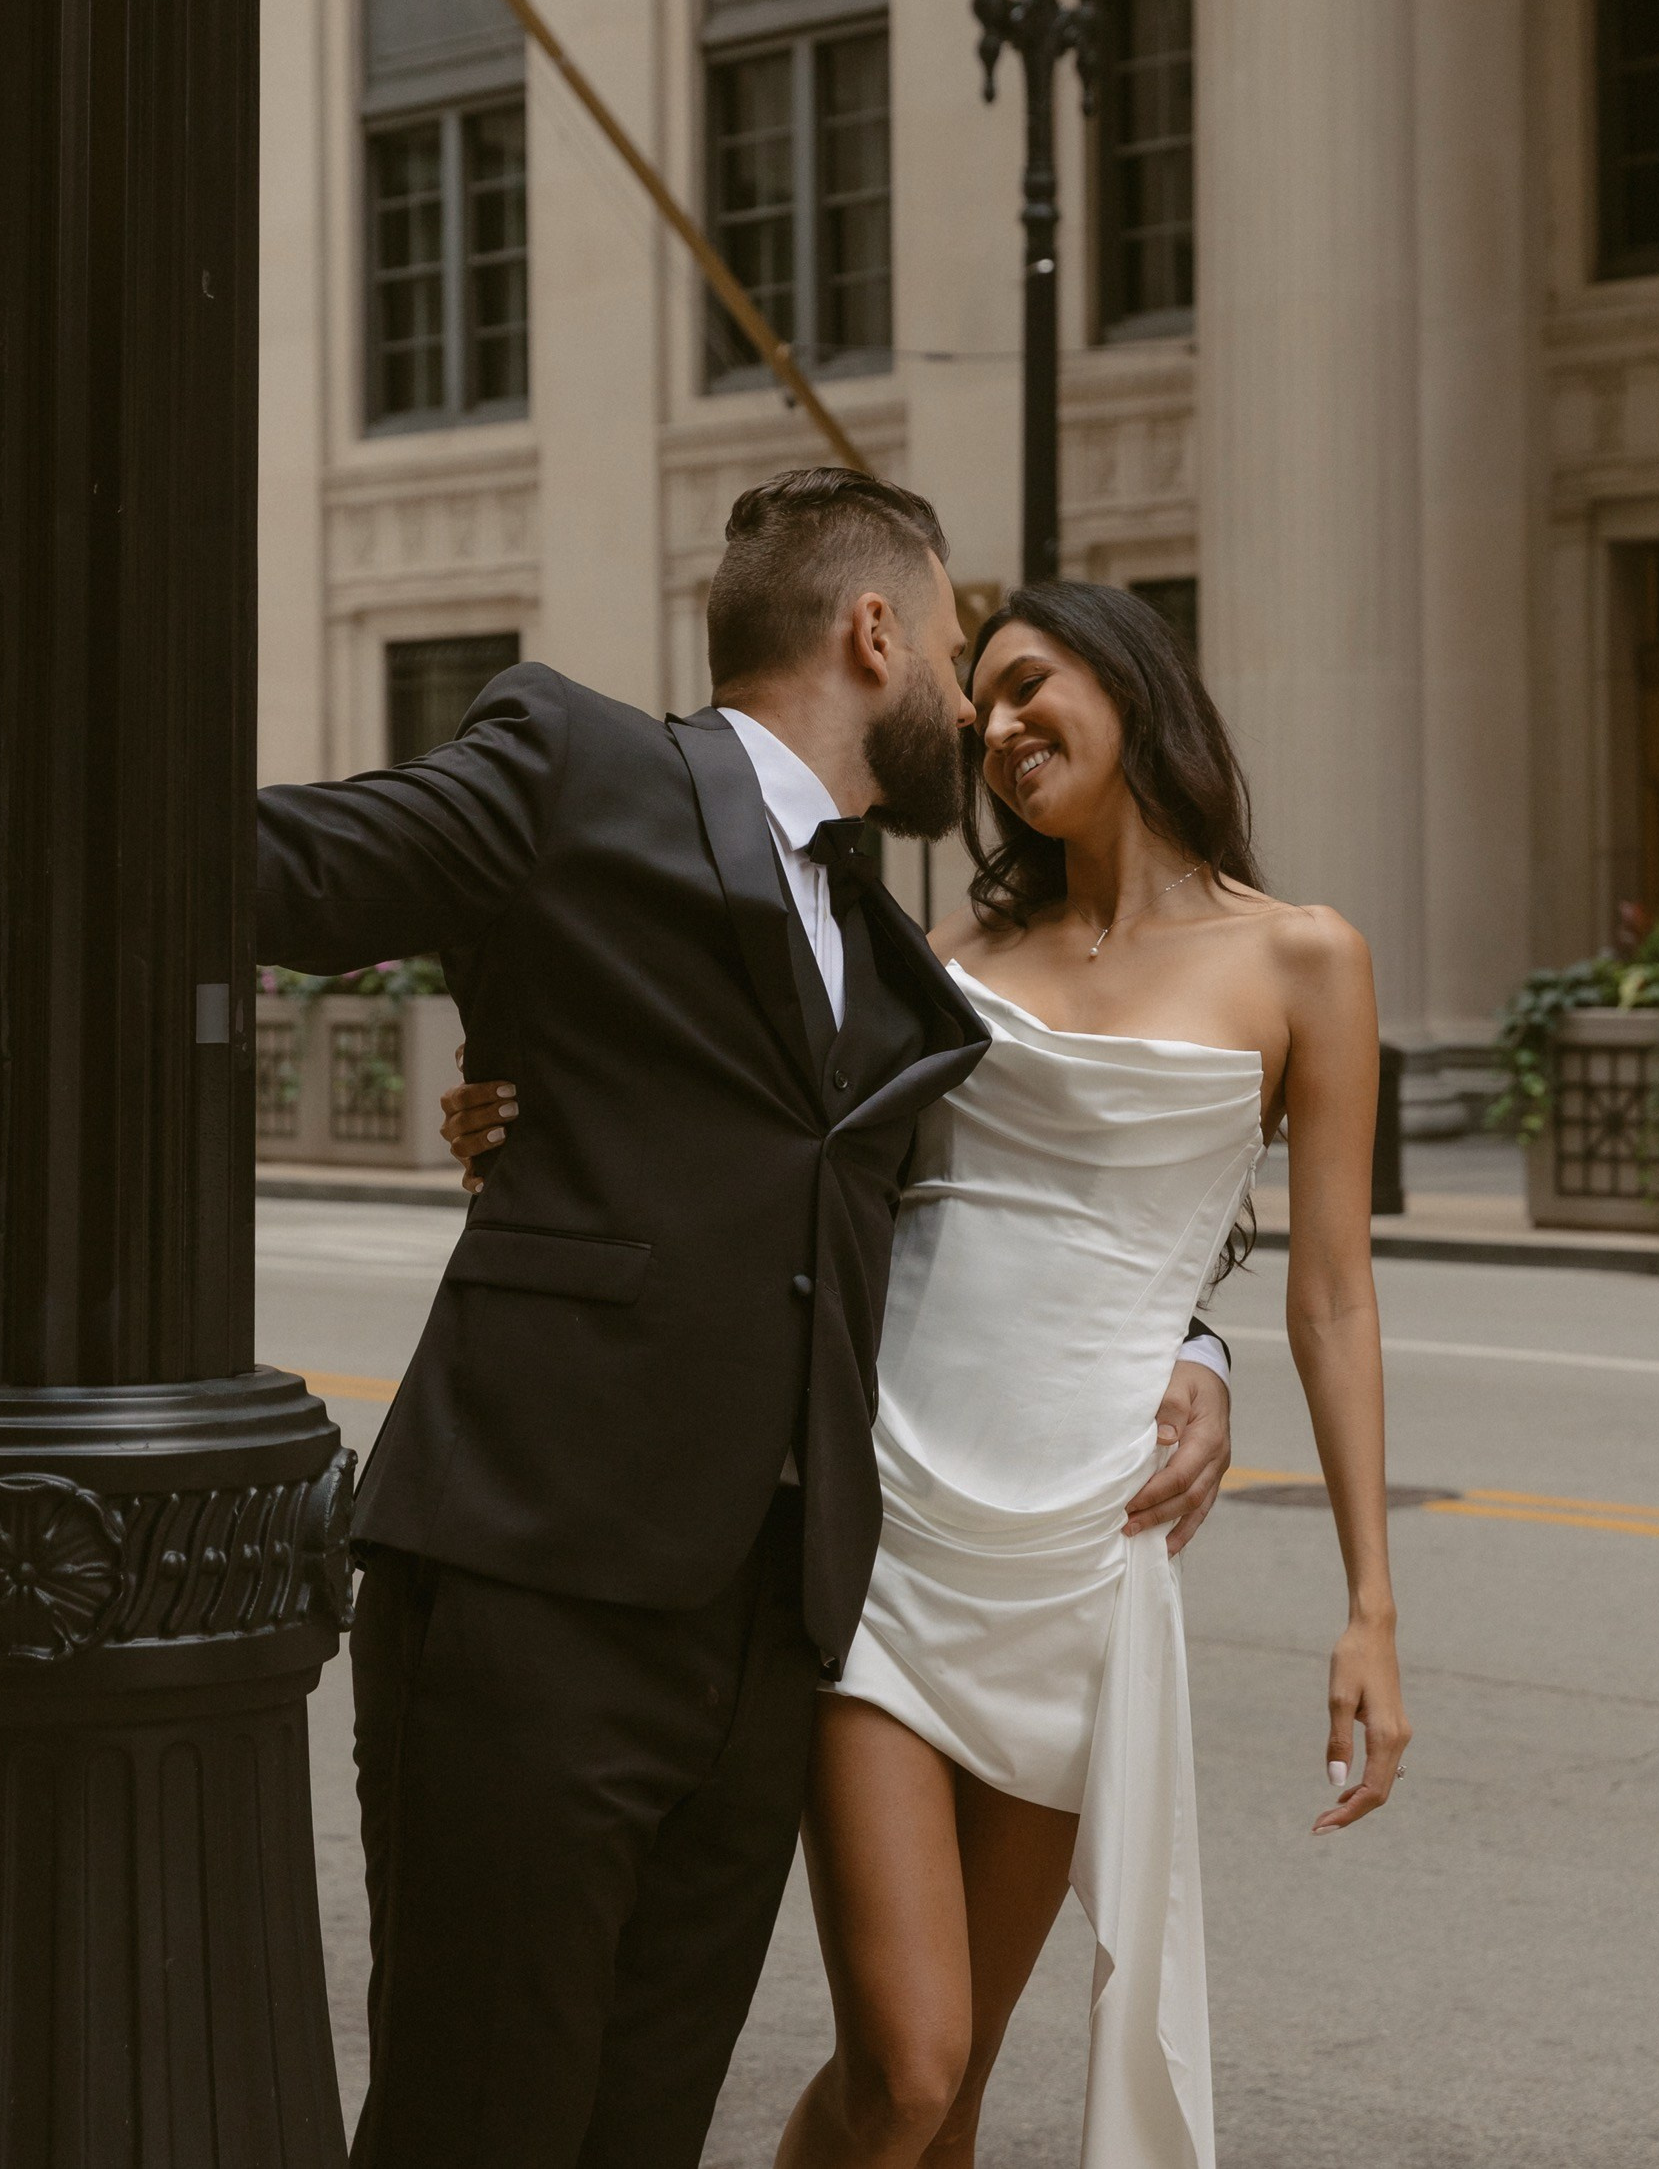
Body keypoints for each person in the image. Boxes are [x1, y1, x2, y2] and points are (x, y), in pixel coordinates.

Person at [0, 469, 1234, 2169]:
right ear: (874, 633)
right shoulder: (577, 763)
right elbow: (290, 867)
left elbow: (1031, 1206)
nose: (966, 702)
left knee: (639, 2130)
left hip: (767, 1634)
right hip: (532, 1593)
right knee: (479, 2121)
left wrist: (1195, 1345)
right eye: (958, 651)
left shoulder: (899, 962)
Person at [443, 578, 1412, 2169]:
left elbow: (1335, 1296)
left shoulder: (1308, 960)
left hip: (1082, 1564)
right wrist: (528, 1105)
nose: (1003, 727)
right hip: (884, 1527)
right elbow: (766, 1137)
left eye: (1034, 685)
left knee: (950, 2105)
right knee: (908, 2065)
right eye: (989, 706)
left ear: (1134, 684)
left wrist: (1366, 1602)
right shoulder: (942, 955)